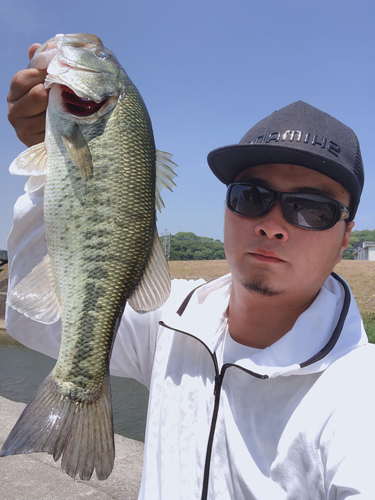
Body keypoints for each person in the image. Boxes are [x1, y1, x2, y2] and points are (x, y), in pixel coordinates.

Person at [4, 44, 375, 500]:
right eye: (250, 196)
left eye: (311, 209)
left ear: (345, 238)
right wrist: (52, 165)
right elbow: (33, 321)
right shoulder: (172, 321)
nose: (272, 225)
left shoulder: (359, 395)